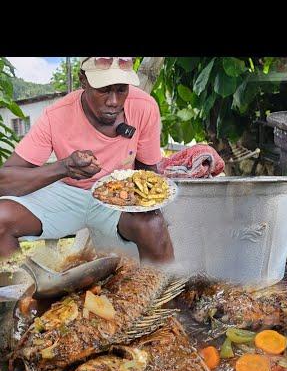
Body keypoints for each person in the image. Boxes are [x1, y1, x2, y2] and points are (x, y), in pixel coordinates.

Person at [0, 57, 174, 262]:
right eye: (103, 89)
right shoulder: (56, 115)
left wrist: (142, 213)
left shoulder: (144, 107)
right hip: (67, 194)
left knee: (153, 225)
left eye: (121, 89)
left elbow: (148, 173)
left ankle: (161, 292)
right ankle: (24, 288)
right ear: (83, 80)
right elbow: (5, 182)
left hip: (117, 195)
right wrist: (64, 168)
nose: (114, 101)